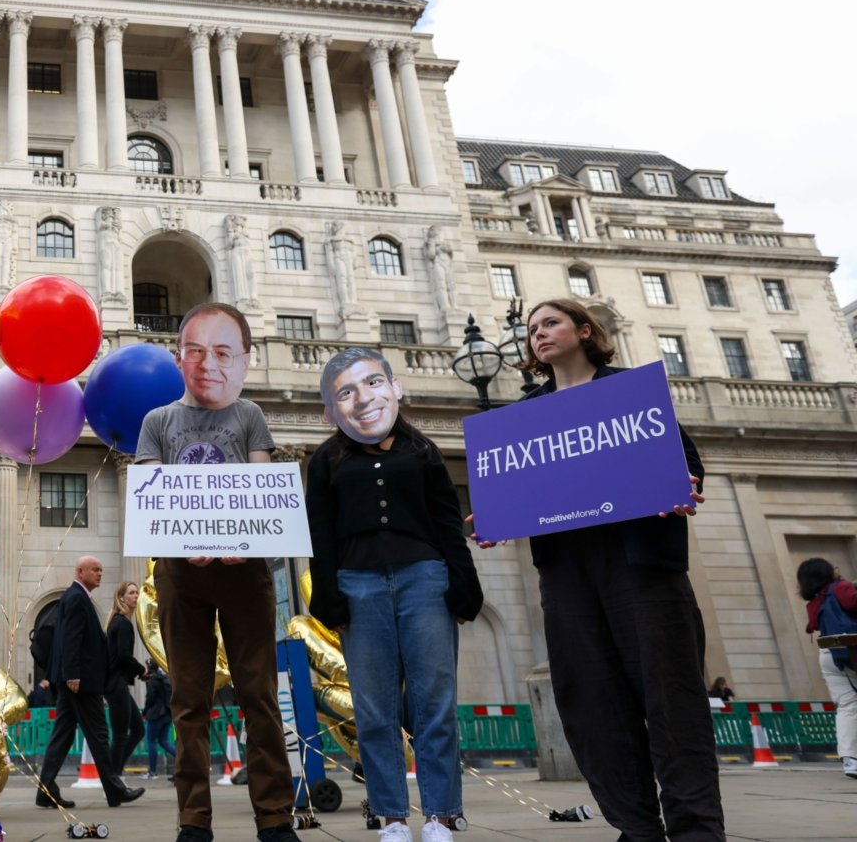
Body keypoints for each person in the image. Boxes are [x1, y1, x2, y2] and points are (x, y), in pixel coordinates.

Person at [477, 299, 721, 841]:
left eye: (551, 323)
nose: (538, 334)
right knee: (592, 705)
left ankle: (696, 830)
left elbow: (687, 463)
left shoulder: (631, 392)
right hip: (568, 575)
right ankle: (636, 828)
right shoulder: (525, 415)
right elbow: (517, 487)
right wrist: (494, 515)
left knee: (672, 701)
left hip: (641, 567)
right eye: (532, 329)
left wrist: (684, 485)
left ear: (585, 331)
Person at [135, 301, 300, 842]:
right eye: (195, 350)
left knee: (259, 694)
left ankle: (275, 818)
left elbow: (261, 486)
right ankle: (193, 821)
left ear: (242, 360)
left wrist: (244, 540)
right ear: (178, 357)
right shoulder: (157, 422)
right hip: (181, 574)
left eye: (221, 352)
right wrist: (187, 543)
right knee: (188, 700)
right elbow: (153, 498)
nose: (207, 362)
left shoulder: (249, 416)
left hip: (245, 572)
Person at [306, 347, 482, 842]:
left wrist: (464, 582)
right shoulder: (326, 459)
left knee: (434, 701)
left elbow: (446, 520)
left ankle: (441, 815)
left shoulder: (422, 451)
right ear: (333, 407)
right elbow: (320, 533)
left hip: (424, 579)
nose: (362, 398)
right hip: (357, 585)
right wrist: (328, 595)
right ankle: (392, 817)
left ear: (393, 388)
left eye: (372, 383)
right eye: (346, 391)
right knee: (374, 708)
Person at [36, 557, 147, 810]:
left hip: (74, 680)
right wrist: (73, 674)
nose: (99, 574)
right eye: (95, 570)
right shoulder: (77, 597)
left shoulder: (76, 596)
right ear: (80, 571)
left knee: (63, 735)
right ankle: (115, 790)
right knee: (99, 734)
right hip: (80, 681)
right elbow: (70, 638)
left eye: (101, 570)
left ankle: (45, 790)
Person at [796, 558, 857, 778]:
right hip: (851, 651)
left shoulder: (814, 600)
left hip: (828, 654)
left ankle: (850, 759)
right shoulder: (839, 588)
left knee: (847, 706)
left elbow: (811, 626)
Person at [105, 581, 148, 779]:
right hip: (116, 684)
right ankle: (113, 779)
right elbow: (123, 655)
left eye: (137, 592)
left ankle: (114, 775)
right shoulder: (122, 623)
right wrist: (141, 669)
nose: (136, 596)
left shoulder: (118, 622)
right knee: (121, 735)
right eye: (131, 593)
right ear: (121, 597)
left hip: (117, 684)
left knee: (137, 730)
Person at [143, 666, 175, 779]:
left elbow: (150, 698)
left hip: (155, 715)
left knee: (151, 741)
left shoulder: (153, 681)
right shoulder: (167, 679)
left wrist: (145, 711)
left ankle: (152, 772)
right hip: (167, 714)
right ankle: (184, 760)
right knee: (164, 741)